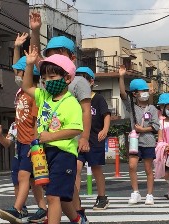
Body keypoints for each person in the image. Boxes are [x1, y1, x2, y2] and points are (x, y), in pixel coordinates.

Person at [30, 12, 92, 220]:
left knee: (65, 185)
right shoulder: (48, 81)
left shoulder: (77, 82)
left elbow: (84, 110)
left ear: (71, 58)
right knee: (59, 189)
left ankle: (75, 213)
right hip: (48, 144)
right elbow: (36, 57)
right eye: (51, 53)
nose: (54, 57)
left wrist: (84, 137)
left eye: (60, 53)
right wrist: (36, 31)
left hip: (70, 141)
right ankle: (73, 216)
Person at [22, 48, 85, 223]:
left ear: (67, 78)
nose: (47, 82)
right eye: (44, 79)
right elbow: (26, 86)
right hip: (43, 153)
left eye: (52, 78)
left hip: (63, 154)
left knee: (53, 196)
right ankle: (78, 220)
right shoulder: (44, 96)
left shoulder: (71, 102)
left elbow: (76, 129)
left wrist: (50, 137)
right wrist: (29, 64)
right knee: (60, 197)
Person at [0, 54, 47, 223]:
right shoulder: (20, 94)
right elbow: (16, 64)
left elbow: (36, 122)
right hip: (21, 142)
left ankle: (18, 209)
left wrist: (34, 144)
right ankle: (43, 209)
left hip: (29, 143)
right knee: (31, 180)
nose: (16, 75)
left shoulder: (35, 94)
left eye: (19, 72)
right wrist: (17, 47)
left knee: (24, 177)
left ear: (26, 74)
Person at [119, 65, 160, 205]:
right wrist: (121, 76)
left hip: (148, 141)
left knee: (149, 168)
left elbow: (155, 126)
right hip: (135, 141)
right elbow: (123, 95)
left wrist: (143, 130)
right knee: (132, 166)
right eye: (142, 91)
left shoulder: (153, 108)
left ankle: (149, 194)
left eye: (146, 91)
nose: (145, 93)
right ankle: (135, 192)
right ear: (135, 93)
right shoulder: (131, 106)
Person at [75, 67, 111, 210]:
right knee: (76, 167)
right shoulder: (75, 98)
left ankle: (102, 197)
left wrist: (105, 129)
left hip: (94, 138)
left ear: (91, 82)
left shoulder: (98, 98)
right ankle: (74, 199)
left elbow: (106, 114)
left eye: (84, 79)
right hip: (78, 138)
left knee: (96, 168)